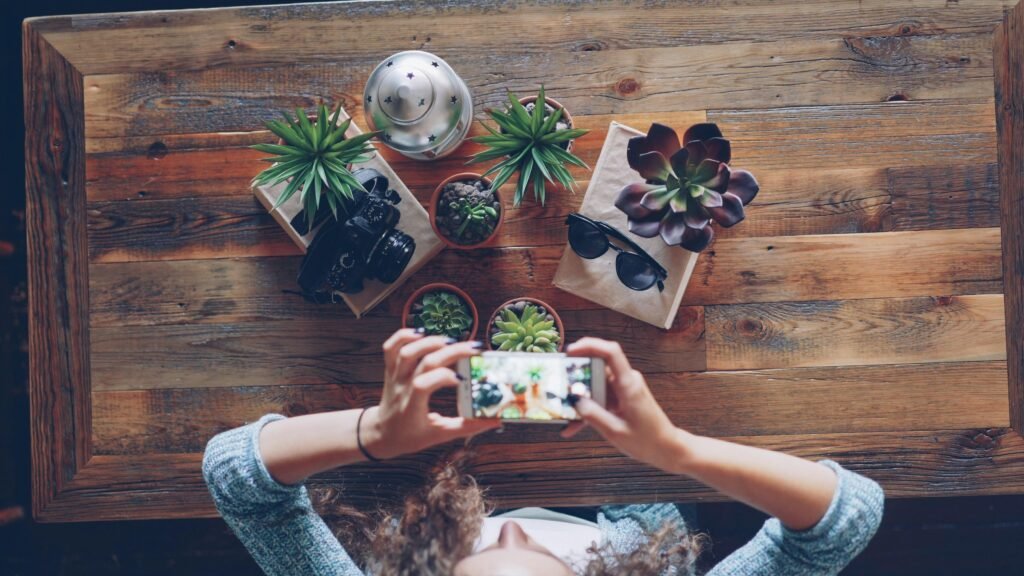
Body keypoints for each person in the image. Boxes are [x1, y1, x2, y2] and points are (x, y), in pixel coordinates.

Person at [203, 329, 884, 575]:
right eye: (531, 553)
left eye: (493, 550)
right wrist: (676, 450)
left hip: (428, 474)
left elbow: (238, 478)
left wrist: (374, 434)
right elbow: (845, 517)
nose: (518, 530)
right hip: (624, 484)